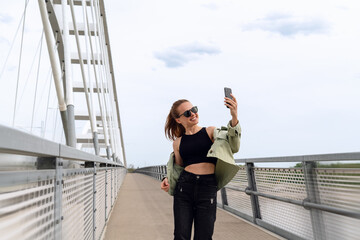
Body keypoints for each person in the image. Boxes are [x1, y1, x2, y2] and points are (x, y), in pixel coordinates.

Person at [161, 93, 241, 240]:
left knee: (204, 236)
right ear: (178, 119)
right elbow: (178, 168)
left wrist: (234, 116)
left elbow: (234, 146)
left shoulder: (210, 131)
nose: (193, 113)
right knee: (180, 236)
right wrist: (168, 179)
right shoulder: (178, 142)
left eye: (194, 109)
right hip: (184, 188)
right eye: (187, 113)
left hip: (207, 188)